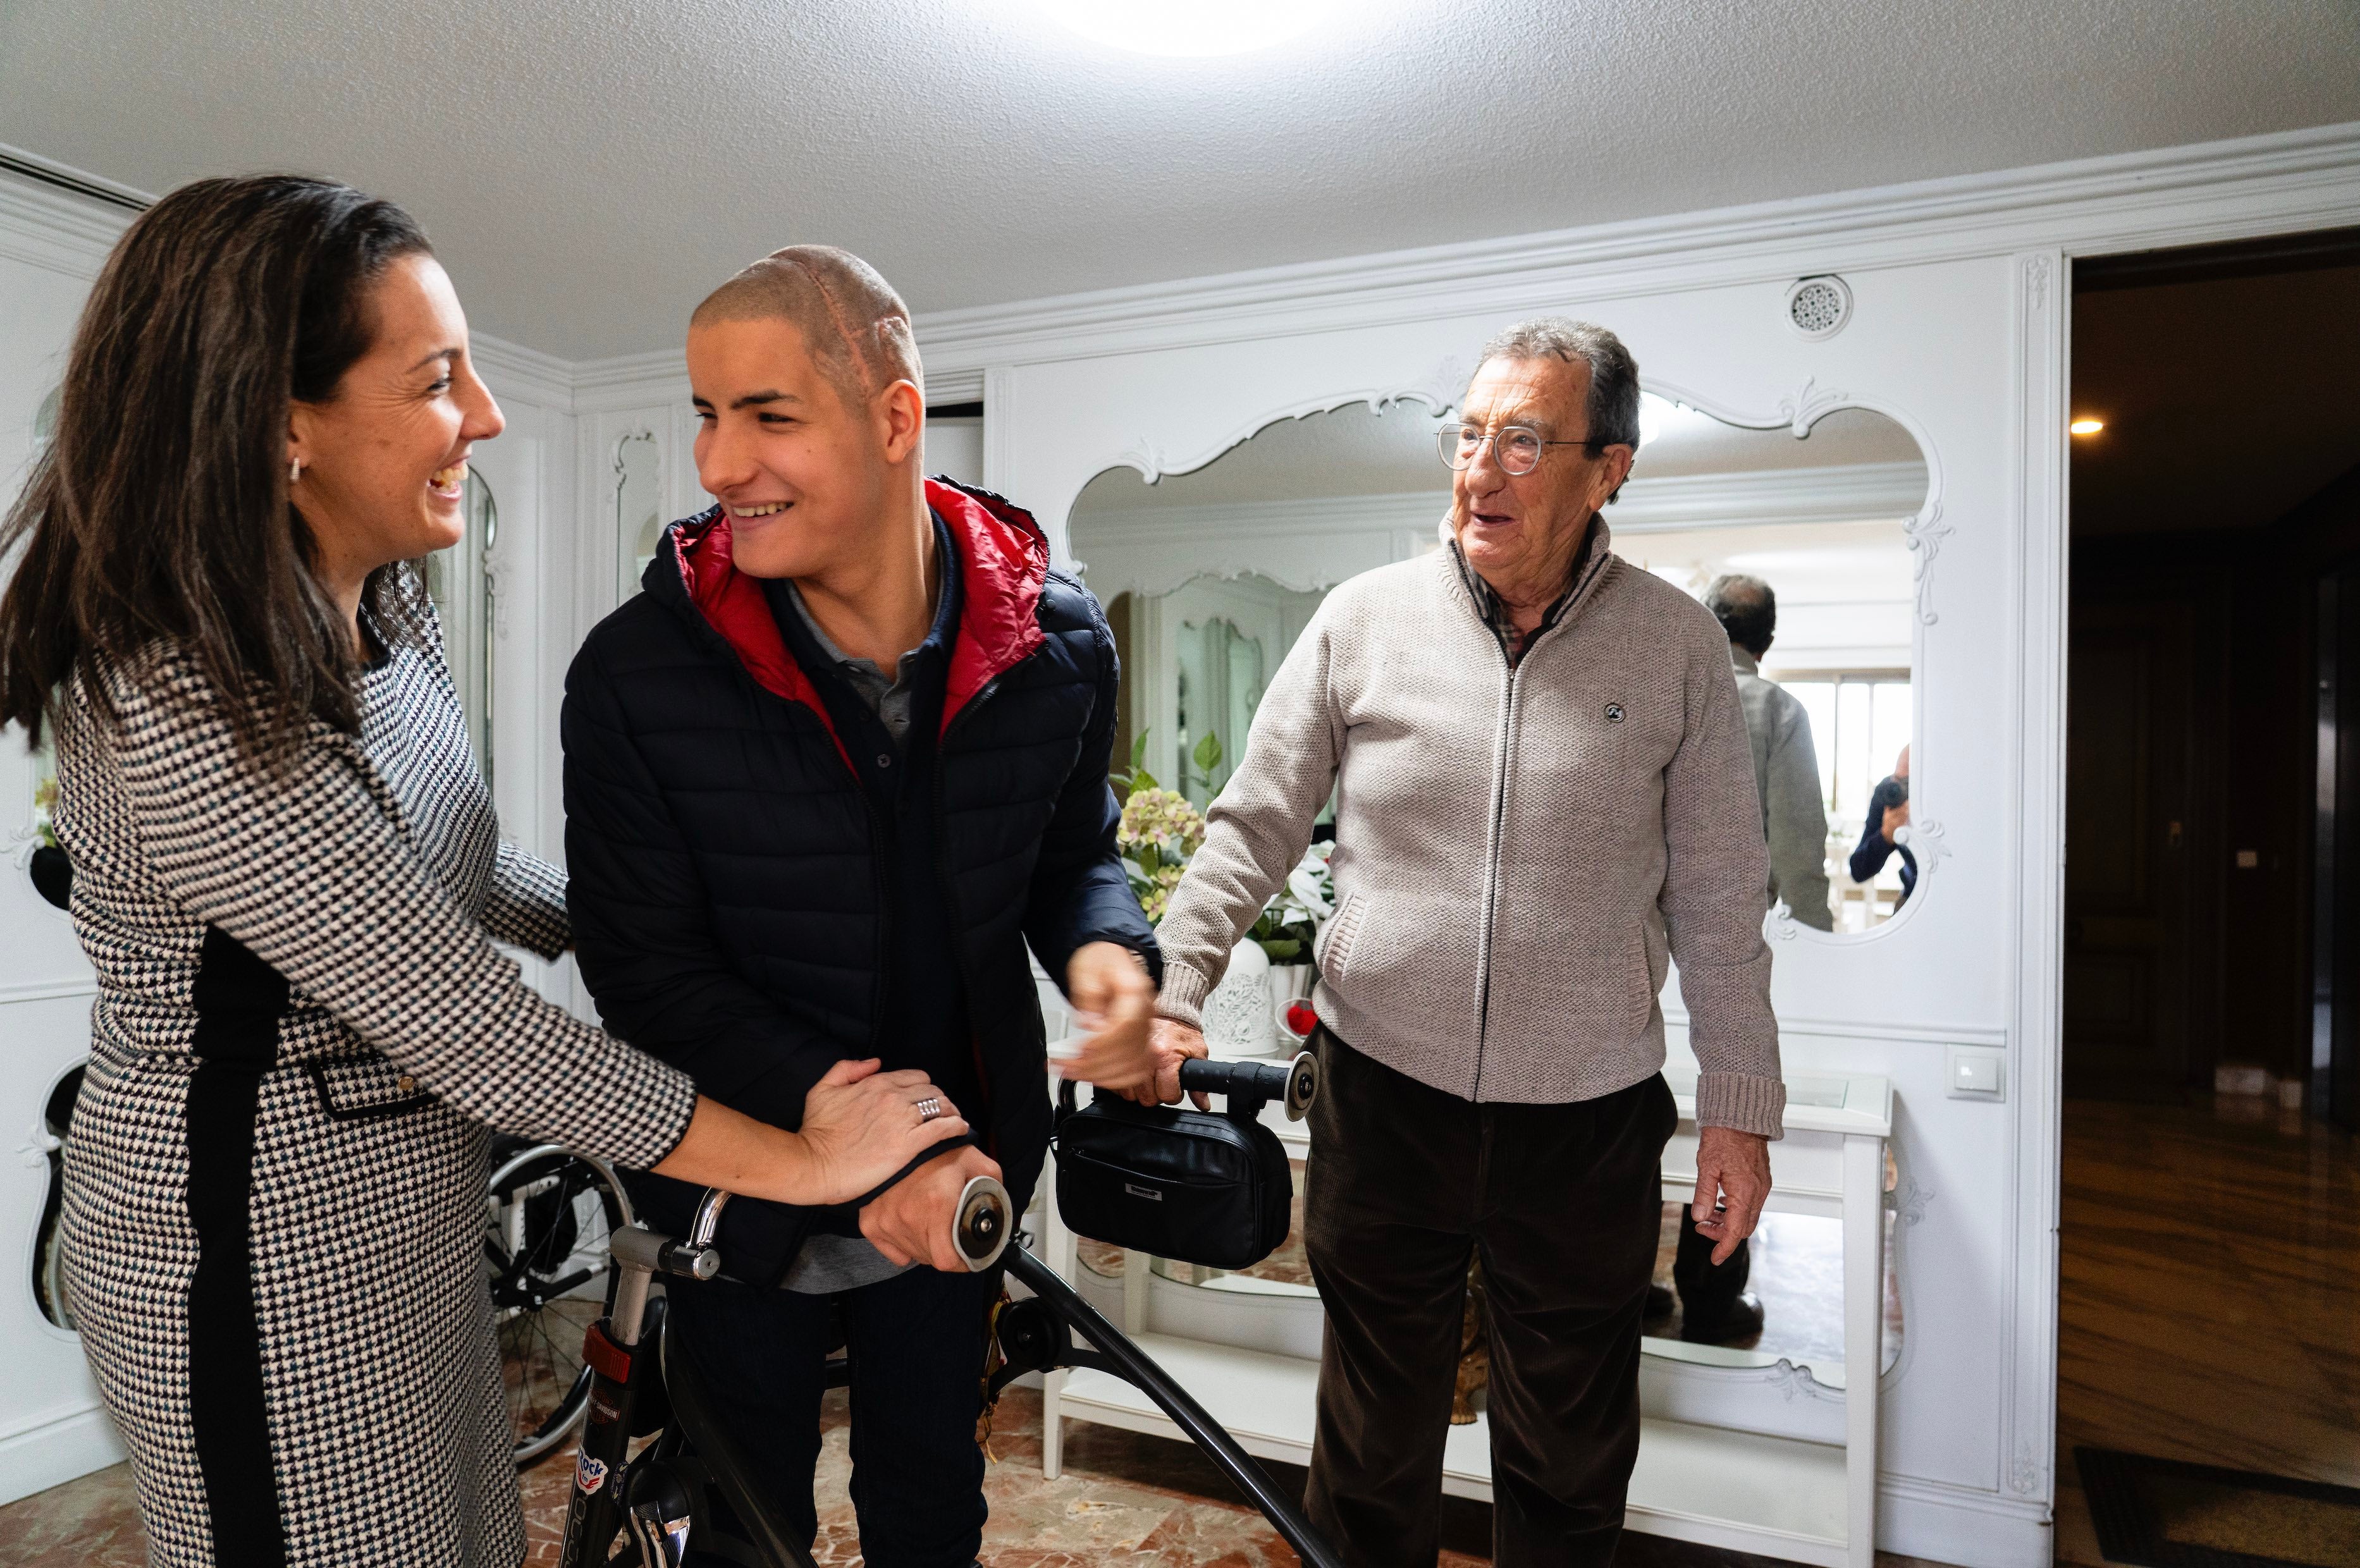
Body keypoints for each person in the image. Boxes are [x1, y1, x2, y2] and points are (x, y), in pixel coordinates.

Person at [0, 178, 962, 1568]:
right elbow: (475, 1028)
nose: (490, 416)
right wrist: (806, 1161)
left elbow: (452, 865)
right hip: (256, 1256)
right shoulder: (182, 699)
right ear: (282, 423)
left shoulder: (380, 613)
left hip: (405, 1201)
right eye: (439, 378)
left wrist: (678, 943)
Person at [1134, 317, 1786, 1566]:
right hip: (1386, 1098)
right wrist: (1173, 982)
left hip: (1587, 1119)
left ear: (1609, 468)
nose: (1481, 470)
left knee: (1570, 1464)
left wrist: (1739, 1108)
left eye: (1525, 442)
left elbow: (1717, 893)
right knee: (1371, 1452)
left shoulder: (1677, 648)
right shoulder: (1362, 618)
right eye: (1471, 435)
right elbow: (1251, 826)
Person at [561, 245, 1161, 1568]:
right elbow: (646, 970)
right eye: (708, 415)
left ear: (895, 419)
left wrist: (1110, 960)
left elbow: (1072, 854)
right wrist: (873, 1145)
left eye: (767, 416)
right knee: (741, 1521)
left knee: (932, 1506)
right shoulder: (635, 675)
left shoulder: (1061, 644)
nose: (719, 465)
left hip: (961, 1183)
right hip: (743, 1184)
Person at [1704, 573, 1833, 935]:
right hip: (1740, 929)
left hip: (1645, 935)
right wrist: (1813, 939)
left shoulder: (1658, 701)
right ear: (1767, 643)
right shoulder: (1780, 710)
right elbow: (1797, 838)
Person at [1851, 743, 1917, 908]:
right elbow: (1859, 870)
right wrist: (1886, 835)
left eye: (1909, 783)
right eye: (1899, 779)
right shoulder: (1889, 794)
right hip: (1912, 893)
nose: (1902, 789)